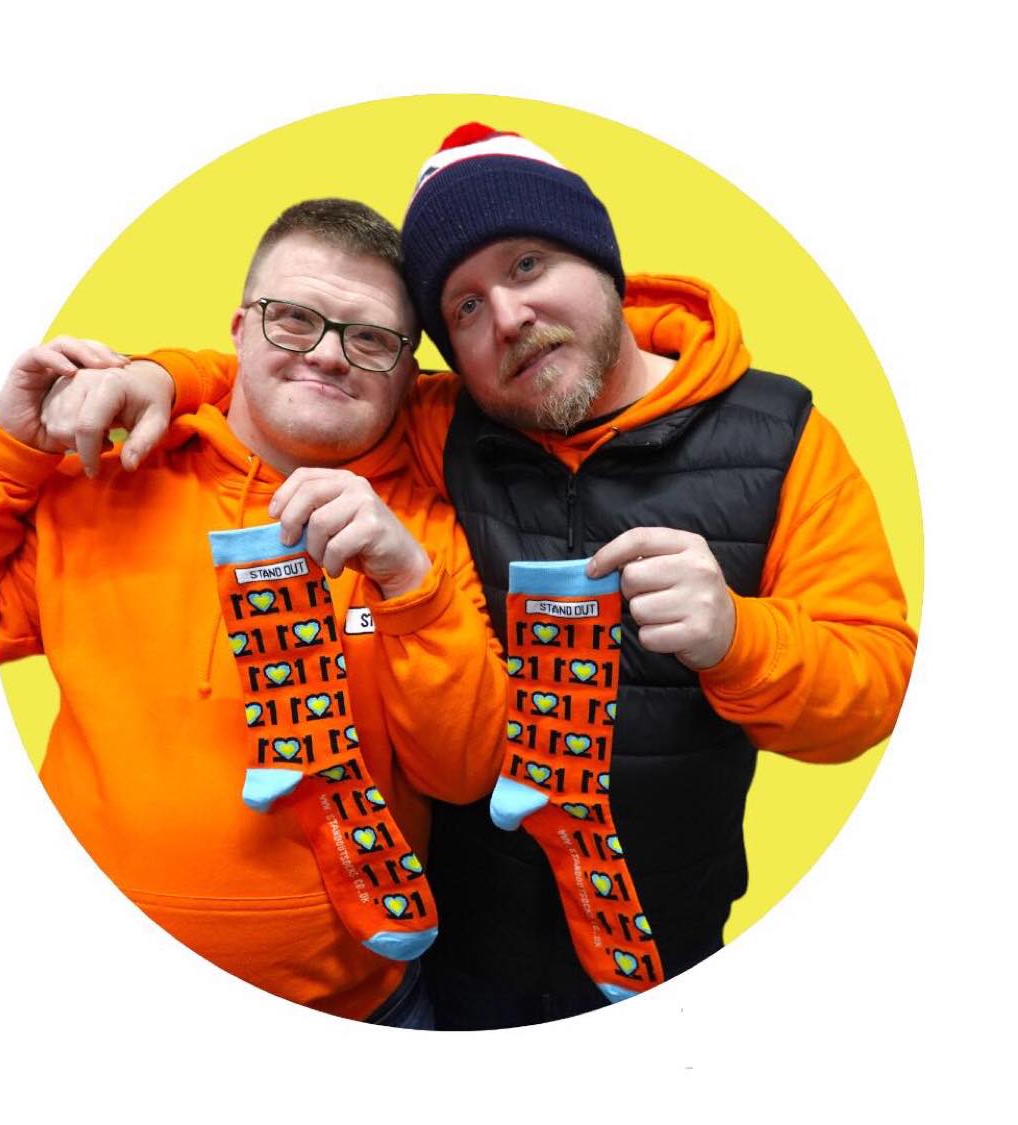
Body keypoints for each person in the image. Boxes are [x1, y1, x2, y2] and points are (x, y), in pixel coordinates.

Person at [54, 124, 917, 1029]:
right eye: (462, 307)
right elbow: (297, 376)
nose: (504, 318)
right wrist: (159, 373)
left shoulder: (781, 437)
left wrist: (740, 638)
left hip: (668, 949)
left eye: (529, 265)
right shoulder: (438, 420)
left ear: (605, 264)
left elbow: (875, 690)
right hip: (443, 948)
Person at [0, 198, 508, 1027]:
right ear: (238, 329)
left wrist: (409, 583)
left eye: (369, 337)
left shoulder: (424, 526)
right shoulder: (101, 472)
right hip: (75, 986)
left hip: (352, 1009)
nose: (329, 355)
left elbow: (466, 772)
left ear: (409, 369)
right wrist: (9, 452)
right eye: (294, 318)